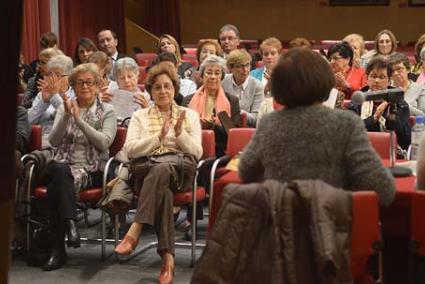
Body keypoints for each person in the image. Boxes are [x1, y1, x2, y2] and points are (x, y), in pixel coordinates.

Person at [238, 48, 395, 207]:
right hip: (332, 224)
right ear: (324, 82)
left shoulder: (269, 124)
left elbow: (246, 172)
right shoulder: (346, 124)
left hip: (279, 224)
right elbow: (383, 189)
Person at [114, 64, 202, 284]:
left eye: (167, 86)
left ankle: (136, 228)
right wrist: (158, 139)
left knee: (162, 168)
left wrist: (180, 135)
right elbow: (132, 149)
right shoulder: (139, 116)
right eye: (157, 88)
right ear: (151, 92)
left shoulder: (189, 115)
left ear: (174, 89)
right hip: (146, 169)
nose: (163, 91)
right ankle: (168, 261)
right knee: (163, 185)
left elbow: (197, 152)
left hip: (180, 168)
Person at [43, 63, 117, 271]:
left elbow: (104, 143)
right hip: (63, 166)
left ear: (97, 85)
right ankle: (70, 223)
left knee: (55, 183)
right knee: (59, 170)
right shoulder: (62, 107)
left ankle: (58, 250)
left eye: (89, 82)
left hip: (91, 170)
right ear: (73, 86)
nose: (84, 86)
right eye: (79, 82)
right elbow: (55, 142)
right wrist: (67, 115)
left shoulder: (107, 111)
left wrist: (79, 120)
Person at [348, 56, 411, 151]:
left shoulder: (399, 103)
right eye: (373, 76)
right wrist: (374, 118)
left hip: (391, 152)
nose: (377, 81)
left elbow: (406, 141)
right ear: (367, 79)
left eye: (382, 77)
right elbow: (349, 132)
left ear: (389, 80)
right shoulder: (358, 100)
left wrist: (392, 119)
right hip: (360, 150)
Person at [184, 55, 241, 157]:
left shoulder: (232, 101)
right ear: (202, 75)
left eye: (217, 73)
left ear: (222, 76)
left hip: (220, 148)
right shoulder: (188, 100)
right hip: (191, 147)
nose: (213, 76)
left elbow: (234, 135)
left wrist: (213, 126)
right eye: (209, 73)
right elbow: (182, 128)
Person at [28, 54, 75, 148]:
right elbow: (28, 122)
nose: (52, 79)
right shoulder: (42, 94)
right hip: (39, 142)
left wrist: (54, 97)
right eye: (50, 75)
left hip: (63, 144)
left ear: (69, 77)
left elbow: (72, 121)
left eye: (57, 75)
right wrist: (44, 102)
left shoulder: (76, 96)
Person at [222, 49, 264, 126]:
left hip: (247, 129)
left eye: (247, 65)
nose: (245, 70)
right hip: (224, 126)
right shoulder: (223, 82)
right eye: (240, 66)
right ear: (231, 68)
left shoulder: (257, 85)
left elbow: (257, 117)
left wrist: (240, 113)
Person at [99, 57, 149, 122]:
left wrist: (146, 109)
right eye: (122, 78)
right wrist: (100, 104)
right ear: (117, 81)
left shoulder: (146, 97)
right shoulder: (108, 95)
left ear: (137, 76)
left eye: (130, 76)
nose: (126, 80)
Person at [388, 52, 425, 116]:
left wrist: (400, 101)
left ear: (408, 69)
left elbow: (423, 116)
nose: (395, 73)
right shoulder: (387, 90)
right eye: (392, 71)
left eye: (399, 69)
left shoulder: (421, 89)